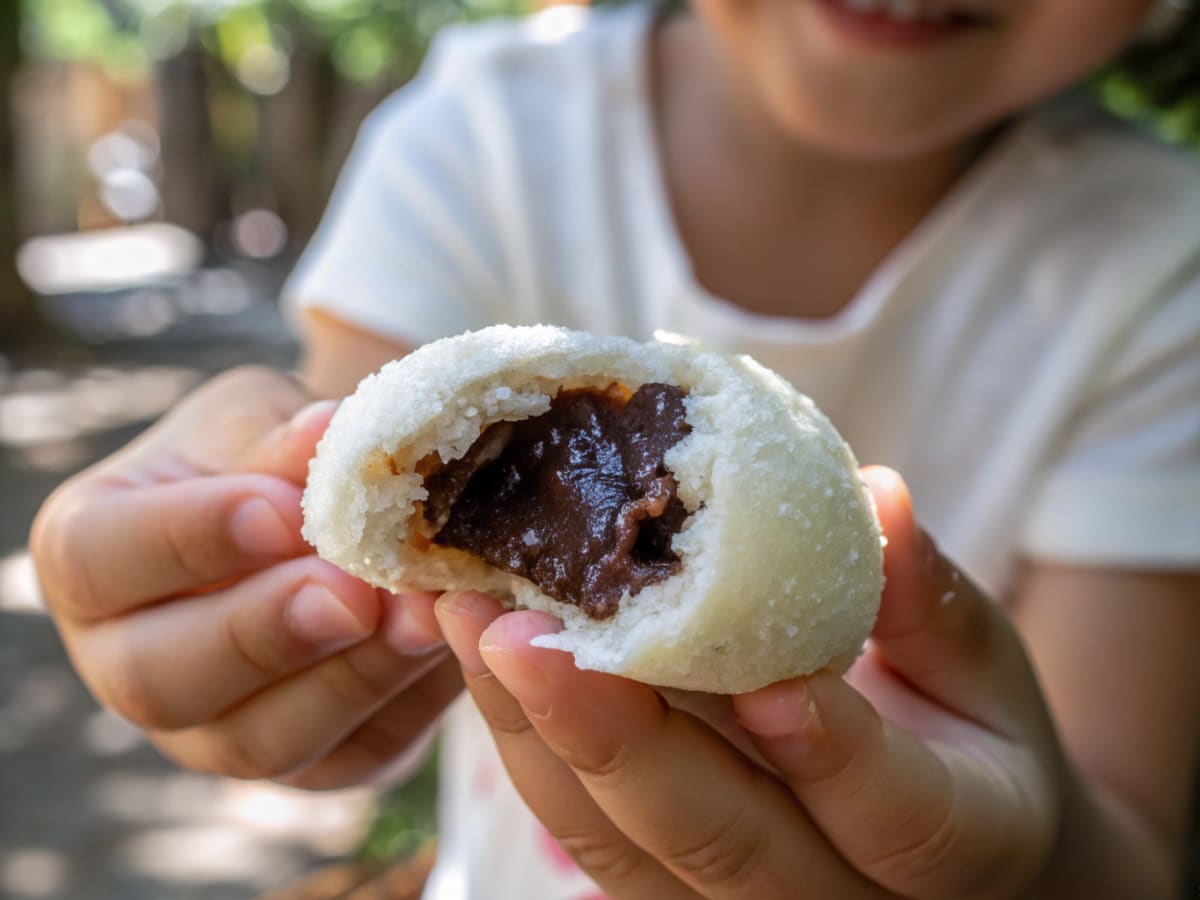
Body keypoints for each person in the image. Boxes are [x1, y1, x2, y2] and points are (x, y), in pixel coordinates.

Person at [30, 0, 1200, 897]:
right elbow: (334, 511)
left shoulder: (1162, 269)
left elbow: (1130, 844)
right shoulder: (482, 136)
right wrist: (254, 629)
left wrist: (1029, 864)